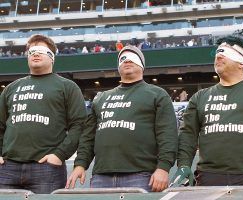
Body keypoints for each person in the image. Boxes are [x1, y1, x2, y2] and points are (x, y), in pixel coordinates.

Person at [66, 45, 178, 192]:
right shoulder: (101, 98)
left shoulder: (157, 94)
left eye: (133, 58)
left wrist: (163, 168)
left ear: (142, 65)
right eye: (123, 58)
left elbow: (167, 134)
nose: (127, 61)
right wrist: (80, 164)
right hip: (101, 176)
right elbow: (88, 136)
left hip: (141, 175)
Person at [171, 35, 243, 186]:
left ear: (241, 63)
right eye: (217, 55)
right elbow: (187, 135)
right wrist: (184, 164)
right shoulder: (199, 97)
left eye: (225, 55)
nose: (219, 57)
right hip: (208, 176)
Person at [0, 34, 87, 193]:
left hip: (46, 168)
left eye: (41, 50)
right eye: (31, 51)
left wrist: (60, 154)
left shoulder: (67, 87)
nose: (35, 53)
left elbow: (79, 125)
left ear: (52, 57)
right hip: (7, 167)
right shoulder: (11, 88)